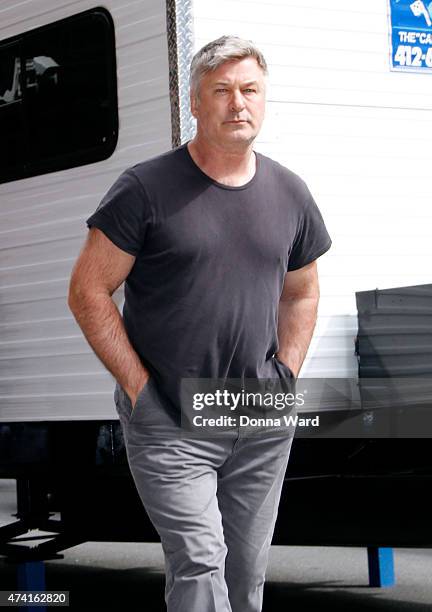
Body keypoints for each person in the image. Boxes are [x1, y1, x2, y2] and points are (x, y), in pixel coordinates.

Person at [68, 35, 331, 612]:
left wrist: (285, 371)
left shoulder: (290, 192)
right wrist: (140, 392)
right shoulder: (144, 190)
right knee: (200, 562)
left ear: (264, 100)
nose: (238, 104)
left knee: (246, 575)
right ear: (195, 102)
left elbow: (303, 291)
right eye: (222, 91)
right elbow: (89, 290)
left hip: (258, 414)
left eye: (250, 91)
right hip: (172, 411)